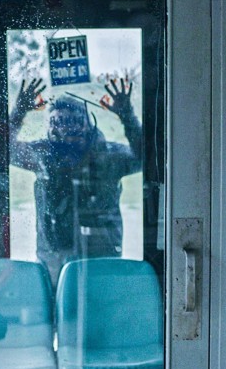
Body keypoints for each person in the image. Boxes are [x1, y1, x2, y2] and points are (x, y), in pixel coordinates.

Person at [8, 78, 142, 286]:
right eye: (58, 122)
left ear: (87, 124)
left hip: (101, 253)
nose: (65, 129)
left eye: (73, 121)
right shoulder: (43, 156)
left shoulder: (108, 156)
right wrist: (19, 111)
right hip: (55, 254)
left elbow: (146, 157)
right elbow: (3, 150)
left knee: (103, 300)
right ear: (49, 127)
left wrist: (128, 116)